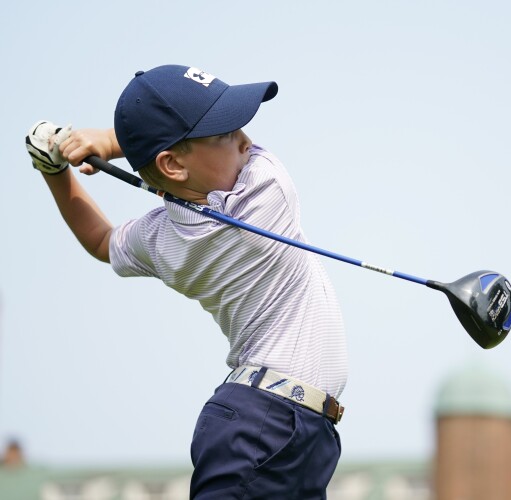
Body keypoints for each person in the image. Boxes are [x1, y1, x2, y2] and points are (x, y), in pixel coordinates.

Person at [25, 65, 348, 499]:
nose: (246, 141)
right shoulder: (267, 188)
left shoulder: (160, 238)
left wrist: (54, 170)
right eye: (225, 133)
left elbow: (101, 241)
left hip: (285, 429)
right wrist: (108, 140)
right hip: (266, 426)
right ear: (172, 164)